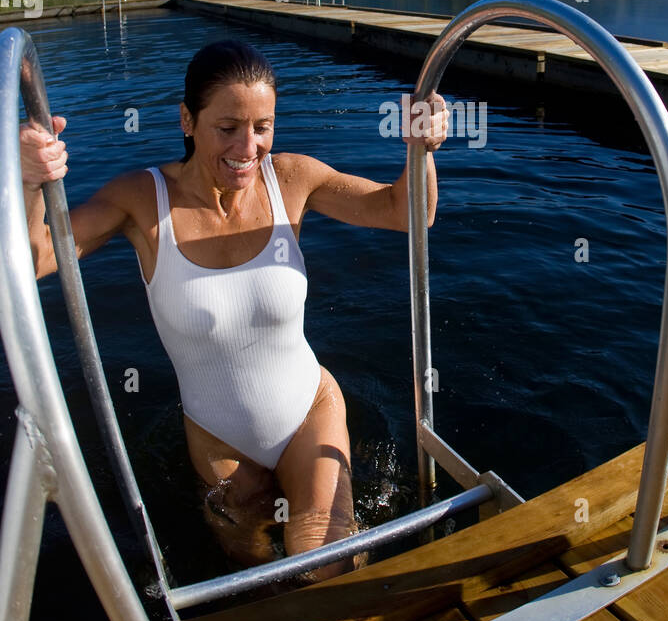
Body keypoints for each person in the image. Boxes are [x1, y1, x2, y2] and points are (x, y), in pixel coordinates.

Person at [19, 38, 448, 584]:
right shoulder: (141, 201)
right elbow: (35, 258)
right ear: (187, 120)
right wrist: (32, 180)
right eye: (228, 128)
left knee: (326, 566)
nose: (248, 147)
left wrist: (421, 149)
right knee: (253, 576)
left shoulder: (291, 179)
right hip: (219, 442)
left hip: (307, 410)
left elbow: (406, 212)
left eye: (263, 127)